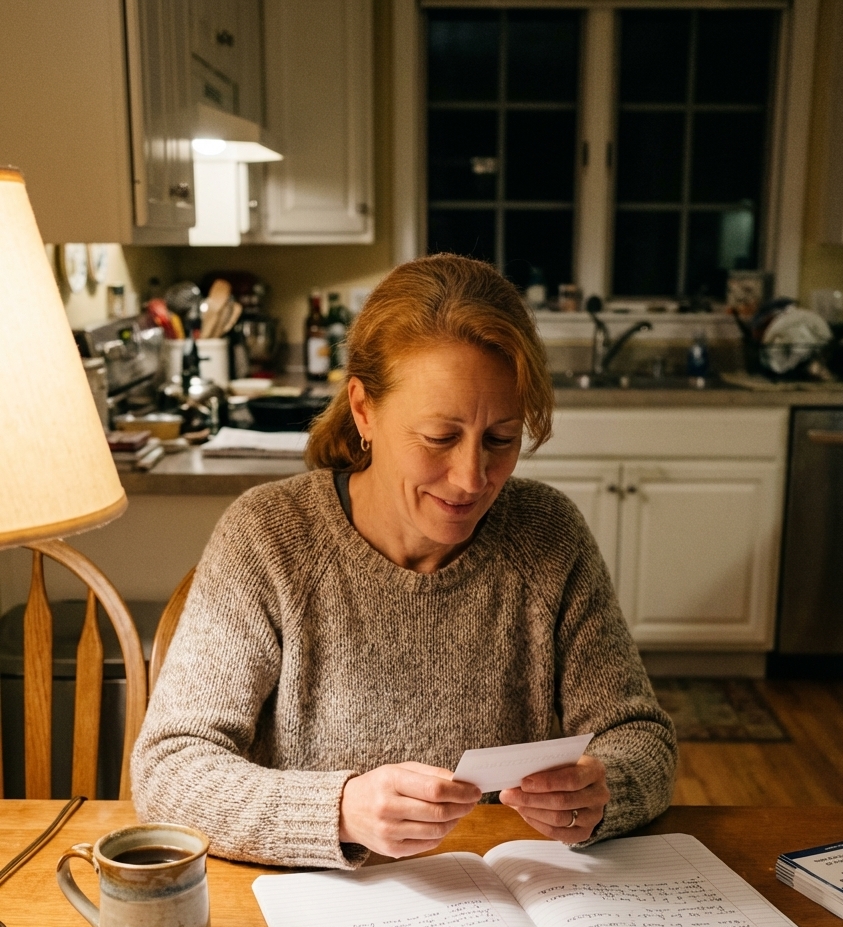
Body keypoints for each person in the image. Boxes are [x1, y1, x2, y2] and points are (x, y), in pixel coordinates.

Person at [132, 254, 677, 869]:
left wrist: (602, 790)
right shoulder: (269, 538)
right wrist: (339, 810)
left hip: (506, 905)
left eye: (501, 438)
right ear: (363, 410)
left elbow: (642, 738)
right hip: (317, 916)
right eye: (439, 437)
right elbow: (170, 769)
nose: (472, 478)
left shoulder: (547, 535)